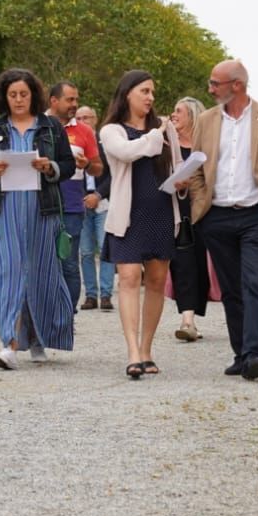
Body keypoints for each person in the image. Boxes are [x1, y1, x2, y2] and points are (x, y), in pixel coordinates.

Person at [189, 60, 258, 381]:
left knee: (254, 283)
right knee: (231, 288)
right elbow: (196, 165)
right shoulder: (207, 121)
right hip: (216, 216)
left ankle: (254, 353)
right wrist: (199, 203)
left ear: (236, 85)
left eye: (215, 83)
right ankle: (240, 353)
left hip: (257, 216)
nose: (210, 89)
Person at [0, 68, 77, 370]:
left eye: (23, 94)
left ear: (33, 95)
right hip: (4, 211)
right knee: (6, 275)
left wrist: (50, 168)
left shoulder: (50, 128)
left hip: (42, 211)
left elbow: (68, 166)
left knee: (40, 275)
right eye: (12, 95)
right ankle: (9, 343)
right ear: (3, 98)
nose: (18, 100)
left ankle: (37, 338)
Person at [99, 70, 183, 379]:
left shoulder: (164, 130)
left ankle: (147, 349)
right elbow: (128, 153)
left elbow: (175, 167)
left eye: (152, 92)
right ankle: (132, 352)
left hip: (161, 210)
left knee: (157, 280)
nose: (150, 97)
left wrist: (183, 181)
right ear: (127, 94)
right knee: (130, 277)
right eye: (144, 91)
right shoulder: (111, 130)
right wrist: (158, 132)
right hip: (127, 215)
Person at [48, 82, 103, 311]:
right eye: (69, 100)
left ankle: (67, 315)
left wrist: (87, 164)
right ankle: (45, 314)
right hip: (39, 205)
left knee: (69, 264)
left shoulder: (85, 131)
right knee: (42, 264)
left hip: (71, 207)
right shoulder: (38, 126)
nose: (74, 105)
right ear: (54, 101)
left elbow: (98, 168)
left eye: (76, 100)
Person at [167, 96, 210, 341]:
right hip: (176, 212)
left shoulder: (206, 147)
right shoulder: (167, 143)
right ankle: (187, 320)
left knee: (203, 267)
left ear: (192, 116)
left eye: (178, 111)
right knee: (183, 265)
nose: (174, 115)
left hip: (205, 212)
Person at [75, 105, 115, 310]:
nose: (83, 121)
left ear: (95, 119)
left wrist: (98, 195)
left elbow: (114, 174)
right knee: (86, 252)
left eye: (87, 117)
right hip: (81, 204)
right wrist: (83, 197)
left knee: (106, 248)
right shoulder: (72, 142)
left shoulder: (105, 143)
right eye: (79, 117)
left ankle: (106, 294)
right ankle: (91, 295)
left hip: (104, 202)